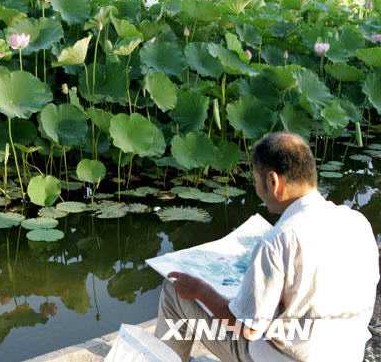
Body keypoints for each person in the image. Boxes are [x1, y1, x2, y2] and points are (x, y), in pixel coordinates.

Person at [154, 132, 379, 362]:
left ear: (273, 181)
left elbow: (248, 329)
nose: (258, 190)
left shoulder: (278, 240)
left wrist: (201, 291)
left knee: (174, 290)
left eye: (256, 180)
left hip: (286, 358)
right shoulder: (357, 222)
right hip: (346, 354)